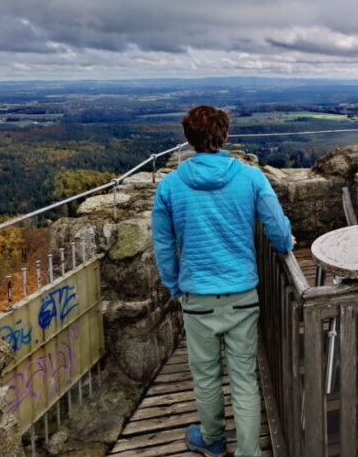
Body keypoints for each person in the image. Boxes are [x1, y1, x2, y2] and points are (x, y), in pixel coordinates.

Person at [152, 105, 294, 457]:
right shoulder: (250, 177)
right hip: (242, 293)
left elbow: (164, 246)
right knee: (244, 377)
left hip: (197, 296)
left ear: (188, 140)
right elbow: (277, 228)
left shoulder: (169, 186)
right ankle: (249, 452)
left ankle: (213, 439)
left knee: (206, 375)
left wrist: (174, 286)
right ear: (226, 136)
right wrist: (286, 243)